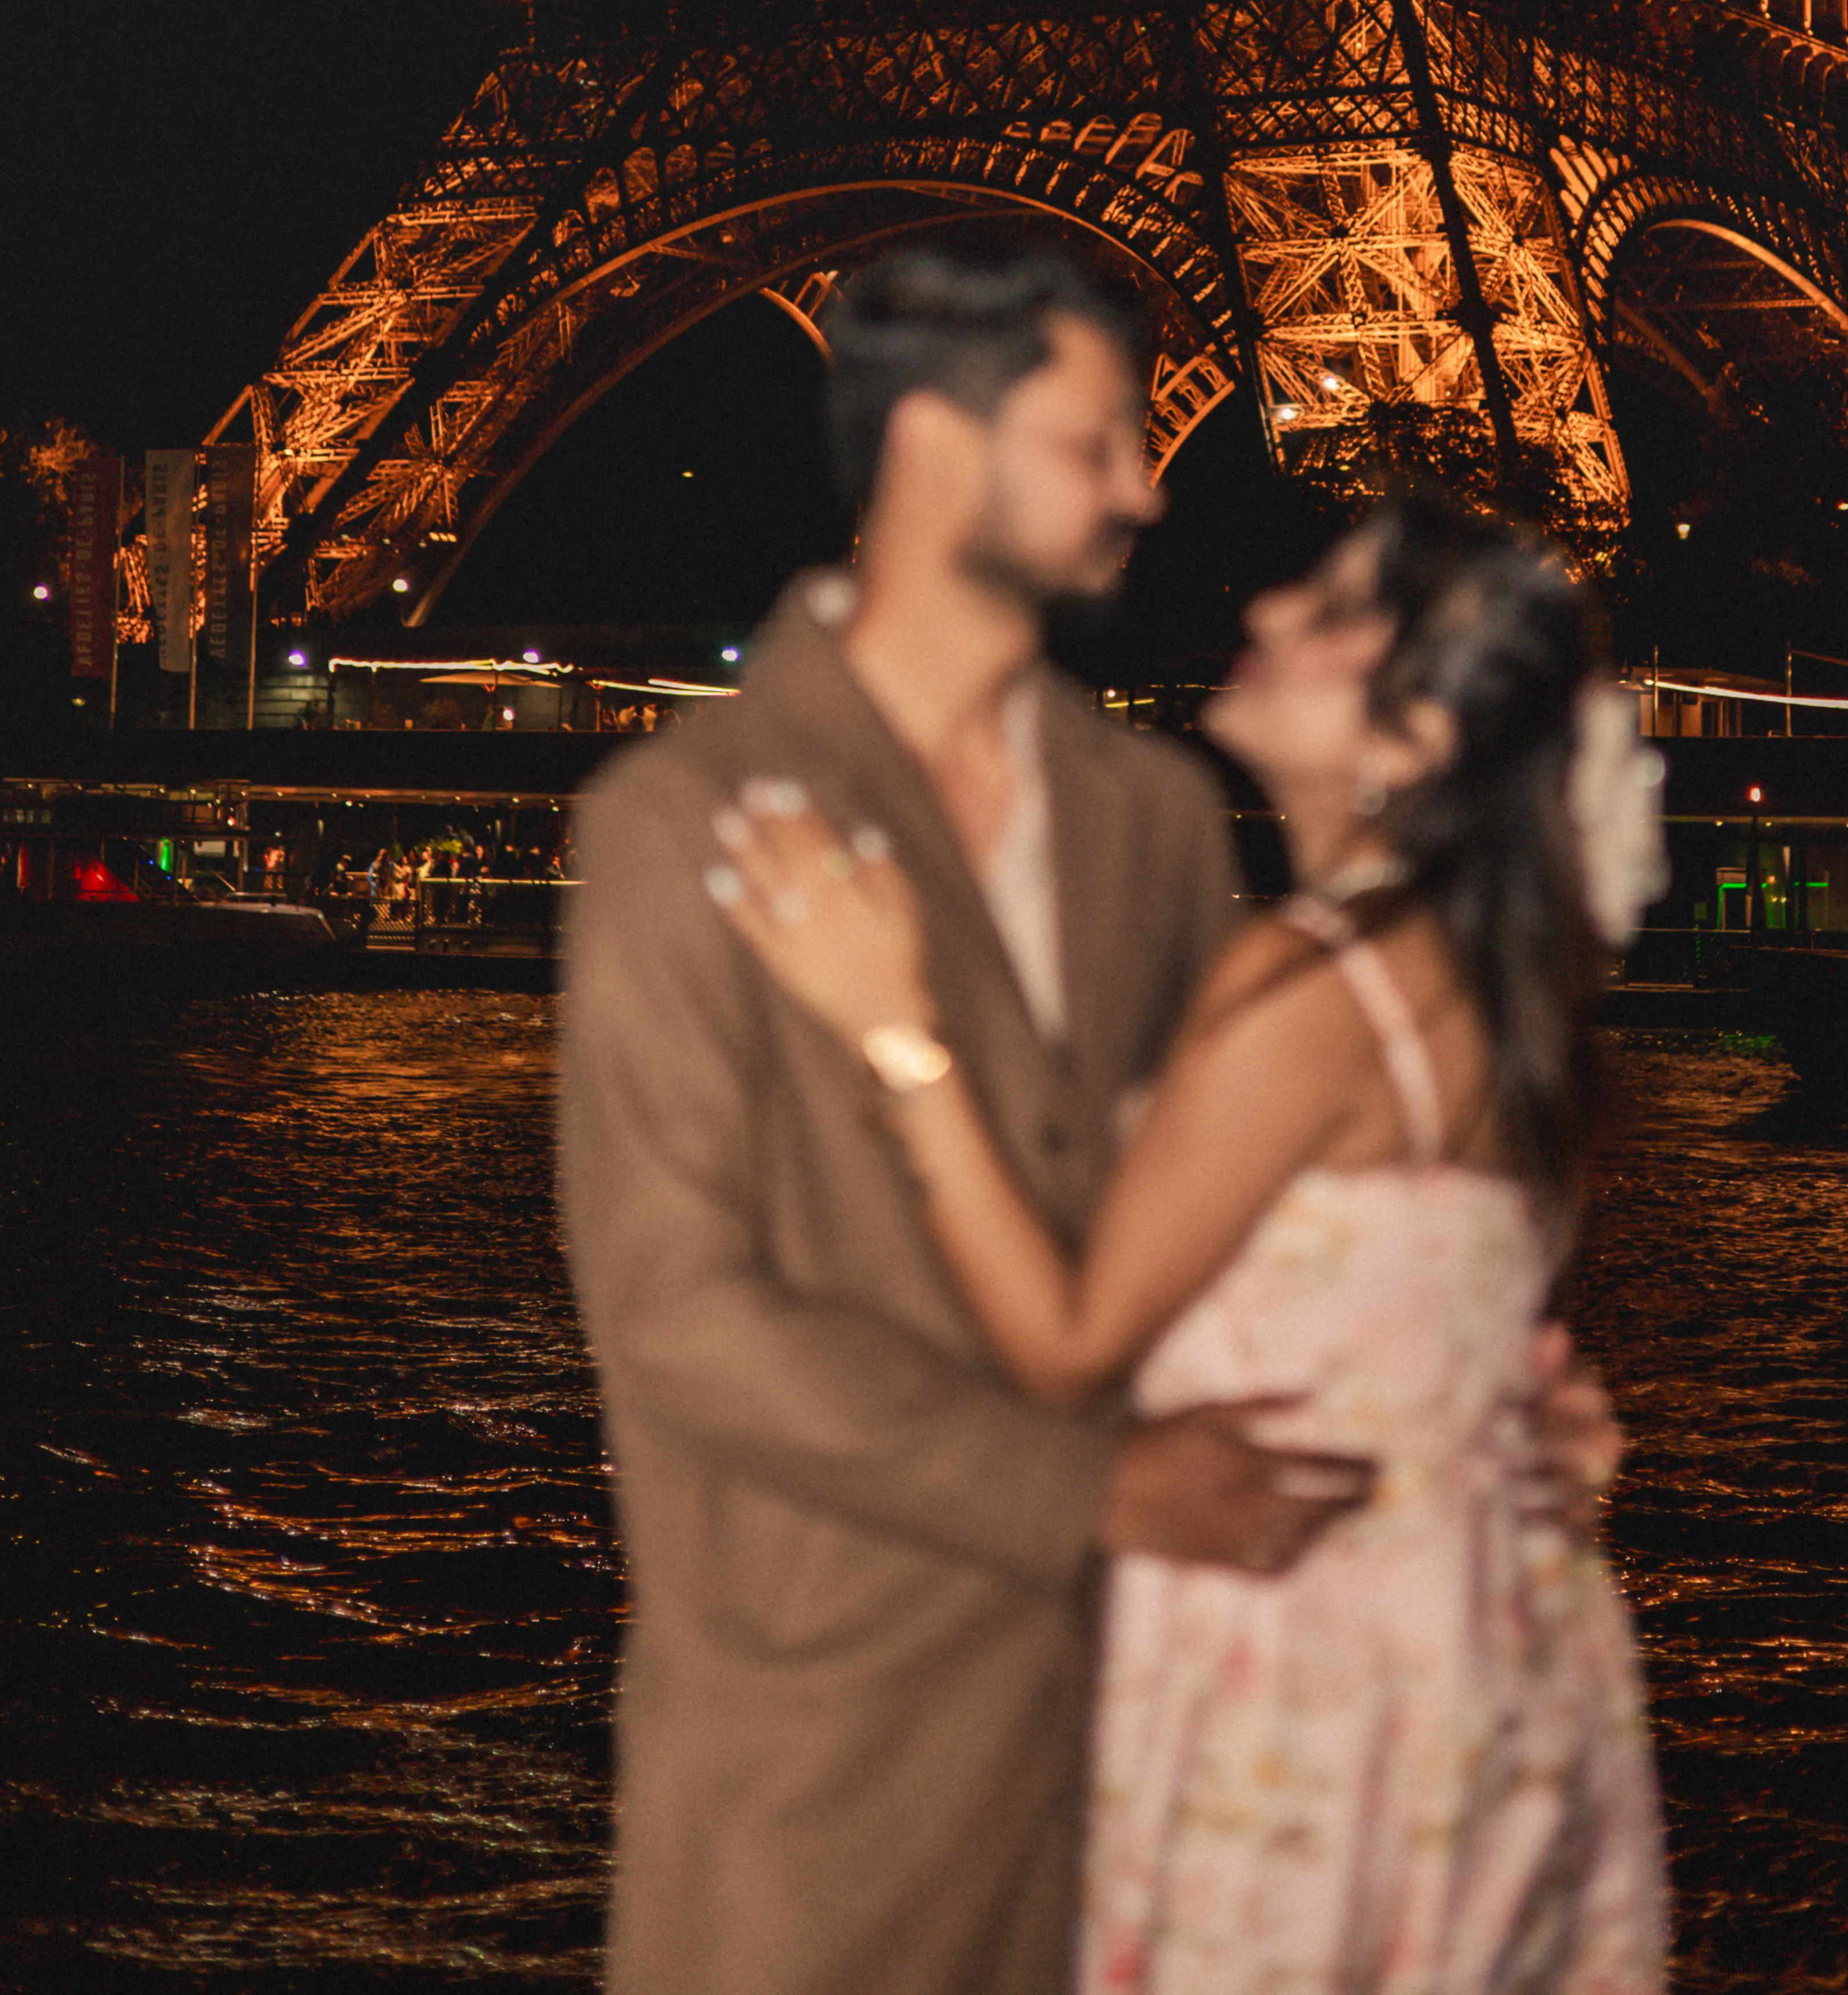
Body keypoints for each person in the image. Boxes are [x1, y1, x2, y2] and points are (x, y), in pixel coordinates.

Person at [559, 243, 1378, 1995]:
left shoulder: (1155, 817)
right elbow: (678, 1319)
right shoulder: (678, 818)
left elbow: (1216, 1237)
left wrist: (1431, 1432)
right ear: (934, 447)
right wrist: (1093, 1491)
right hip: (824, 1789)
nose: (1148, 490)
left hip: (1143, 1788)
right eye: (1096, 445)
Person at [711, 497, 1671, 1993]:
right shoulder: (1480, 985)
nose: (1275, 611)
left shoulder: (1315, 980)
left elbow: (1068, 1343)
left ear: (1415, 740)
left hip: (1287, 1653)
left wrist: (890, 1027)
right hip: (1453, 1649)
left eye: (1341, 615)